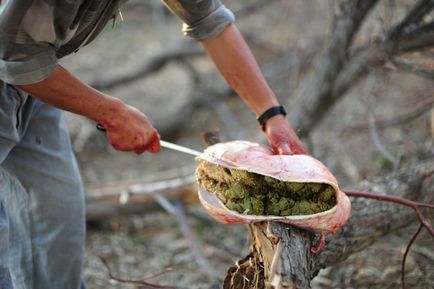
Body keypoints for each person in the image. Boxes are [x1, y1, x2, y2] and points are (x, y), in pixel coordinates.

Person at [0, 1, 306, 288]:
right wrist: (111, 112)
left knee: (56, 223)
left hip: (33, 82)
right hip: (19, 67)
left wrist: (271, 115)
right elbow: (14, 53)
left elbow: (208, 17)